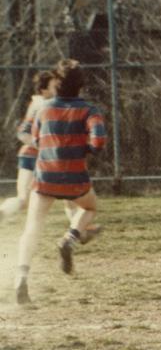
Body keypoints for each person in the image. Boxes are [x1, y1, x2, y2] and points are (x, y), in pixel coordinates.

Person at [15, 59, 107, 304]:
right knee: (89, 207)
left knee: (32, 227)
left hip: (45, 177)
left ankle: (21, 278)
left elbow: (34, 138)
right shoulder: (90, 110)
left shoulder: (42, 109)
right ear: (81, 85)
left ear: (56, 83)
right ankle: (70, 238)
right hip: (75, 177)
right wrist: (84, 149)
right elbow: (98, 142)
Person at [0, 72, 54, 222]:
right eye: (54, 86)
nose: (58, 88)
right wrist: (43, 146)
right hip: (33, 155)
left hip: (34, 155)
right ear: (44, 90)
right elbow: (23, 133)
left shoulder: (43, 103)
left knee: (24, 199)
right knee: (25, 199)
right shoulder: (42, 104)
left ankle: (79, 228)